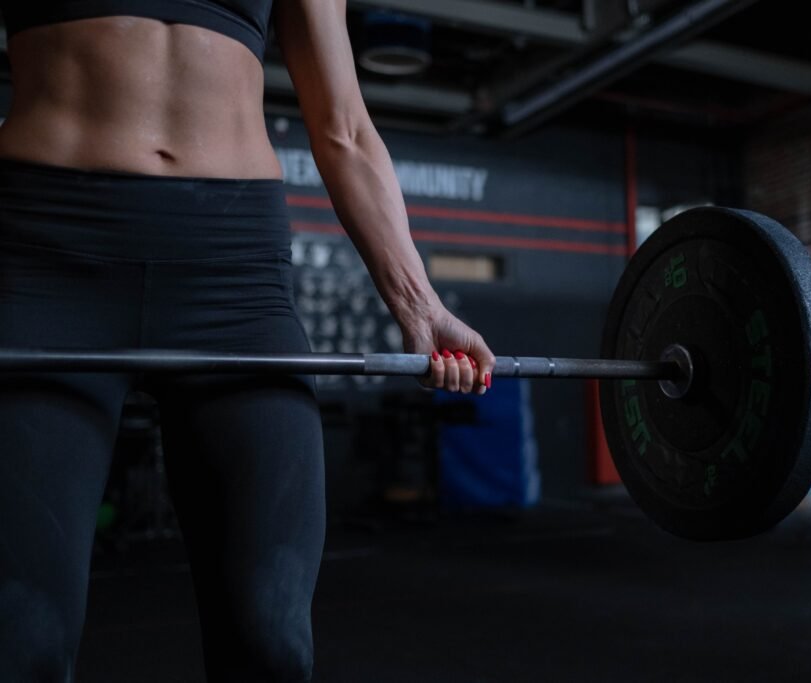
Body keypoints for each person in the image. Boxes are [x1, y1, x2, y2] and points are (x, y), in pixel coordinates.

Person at [0, 1, 495, 680]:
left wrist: (419, 302)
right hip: (45, 253)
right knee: (21, 639)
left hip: (233, 275)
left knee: (272, 643)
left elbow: (343, 125)